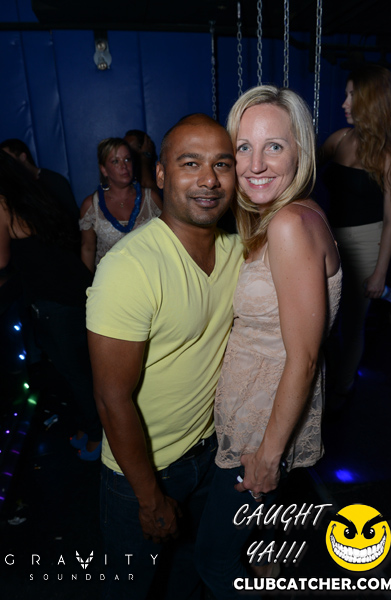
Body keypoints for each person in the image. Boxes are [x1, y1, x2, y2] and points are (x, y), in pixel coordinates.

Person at [86, 114, 243, 599]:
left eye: (222, 164)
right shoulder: (129, 267)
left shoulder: (238, 250)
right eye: (190, 163)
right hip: (142, 472)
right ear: (159, 174)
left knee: (186, 578)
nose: (208, 180)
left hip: (211, 456)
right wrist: (150, 496)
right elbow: (111, 398)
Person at [195, 85, 342, 598]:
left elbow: (304, 357)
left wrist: (268, 455)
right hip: (258, 418)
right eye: (243, 147)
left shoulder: (289, 225)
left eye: (274, 146)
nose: (255, 164)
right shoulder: (288, 215)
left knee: (214, 560)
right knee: (264, 552)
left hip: (259, 433)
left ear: (300, 151)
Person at [0, 149, 102, 459]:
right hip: (74, 290)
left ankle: (100, 437)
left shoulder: (2, 203)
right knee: (83, 370)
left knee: (76, 374)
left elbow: (1, 260)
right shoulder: (30, 194)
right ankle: (90, 426)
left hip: (55, 303)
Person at [320, 64, 391, 400]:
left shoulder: (390, 155)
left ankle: (343, 388)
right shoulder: (339, 139)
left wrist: (380, 273)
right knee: (322, 320)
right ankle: (321, 387)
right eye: (346, 94)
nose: (344, 103)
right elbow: (303, 174)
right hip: (329, 239)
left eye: (352, 95)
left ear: (371, 101)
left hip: (368, 242)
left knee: (352, 325)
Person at [79, 137, 162, 273]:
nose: (124, 166)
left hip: (148, 278)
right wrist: (86, 284)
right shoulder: (91, 205)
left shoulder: (151, 199)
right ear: (104, 169)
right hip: (109, 281)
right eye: (115, 161)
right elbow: (88, 249)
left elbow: (166, 243)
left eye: (127, 159)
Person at [0, 138, 79, 221]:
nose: (6, 164)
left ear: (23, 157)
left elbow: (71, 215)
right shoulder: (11, 188)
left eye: (9, 159)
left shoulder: (53, 180)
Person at [124, 129, 161, 196]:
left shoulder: (159, 174)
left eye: (130, 149)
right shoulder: (124, 174)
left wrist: (145, 157)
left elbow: (150, 196)